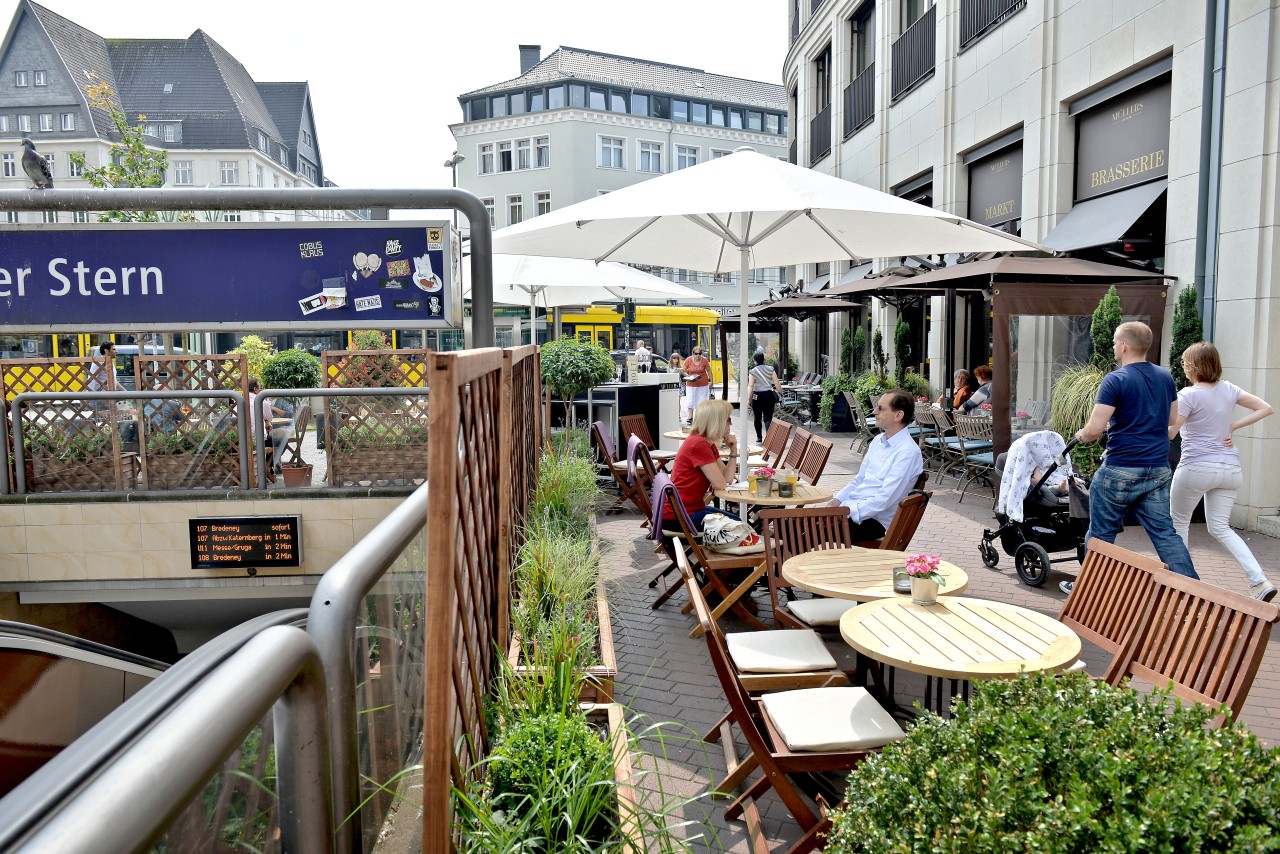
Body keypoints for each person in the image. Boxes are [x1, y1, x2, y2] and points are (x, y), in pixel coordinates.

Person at [1060, 322, 1198, 595]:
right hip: (1157, 469)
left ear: (1124, 346)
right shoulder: (1165, 377)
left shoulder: (1116, 379)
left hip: (1120, 468)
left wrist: (1083, 433)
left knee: (1100, 534)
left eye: (1114, 342)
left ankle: (1087, 590)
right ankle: (1195, 592)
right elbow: (1171, 421)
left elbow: (1095, 428)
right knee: (1165, 534)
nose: (1113, 347)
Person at [1169, 342, 1276, 601]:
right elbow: (1266, 408)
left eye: (1185, 362)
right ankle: (1259, 581)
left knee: (1178, 523)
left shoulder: (1188, 395)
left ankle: (1182, 583)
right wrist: (1233, 427)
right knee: (1220, 527)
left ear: (1194, 366)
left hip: (1196, 467)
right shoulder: (1229, 389)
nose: (1183, 367)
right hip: (1230, 469)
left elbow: (1170, 432)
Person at [827, 389, 925, 541]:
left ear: (898, 415)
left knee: (803, 531)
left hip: (872, 521)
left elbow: (885, 499)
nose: (874, 411)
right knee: (792, 523)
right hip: (853, 510)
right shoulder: (878, 441)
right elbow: (859, 480)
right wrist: (836, 502)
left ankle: (782, 562)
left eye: (881, 408)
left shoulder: (908, 452)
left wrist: (846, 512)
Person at [664, 399, 740, 530]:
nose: (731, 424)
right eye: (728, 420)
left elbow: (727, 479)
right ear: (716, 421)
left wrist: (733, 451)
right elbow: (720, 484)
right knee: (738, 526)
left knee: (738, 523)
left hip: (686, 510)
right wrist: (719, 480)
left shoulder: (707, 443)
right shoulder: (699, 444)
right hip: (679, 516)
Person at [248, 377, 292, 473]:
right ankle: (269, 466)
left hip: (242, 440)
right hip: (258, 439)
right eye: (260, 388)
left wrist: (266, 421)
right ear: (255, 389)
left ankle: (268, 466)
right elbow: (270, 417)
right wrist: (267, 420)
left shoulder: (239, 401)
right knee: (282, 442)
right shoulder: (262, 402)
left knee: (273, 438)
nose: (261, 390)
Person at [746, 352, 784, 444]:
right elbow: (776, 383)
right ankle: (769, 439)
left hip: (757, 396)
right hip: (768, 395)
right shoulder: (770, 369)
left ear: (755, 360)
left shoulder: (752, 371)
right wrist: (781, 393)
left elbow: (750, 386)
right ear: (763, 359)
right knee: (768, 418)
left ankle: (759, 439)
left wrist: (748, 400)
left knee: (757, 417)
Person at [682, 346, 712, 423]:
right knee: (690, 400)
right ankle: (690, 416)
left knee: (701, 400)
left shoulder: (704, 360)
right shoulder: (688, 360)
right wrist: (688, 376)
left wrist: (711, 381)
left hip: (703, 384)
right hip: (691, 384)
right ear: (693, 353)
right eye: (696, 354)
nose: (698, 355)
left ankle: (699, 417)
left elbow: (709, 371)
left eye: (699, 353)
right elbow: (683, 370)